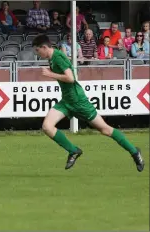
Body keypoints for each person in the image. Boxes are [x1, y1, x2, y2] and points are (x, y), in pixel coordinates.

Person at [31, 34, 144, 172]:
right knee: (47, 127)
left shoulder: (58, 57)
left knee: (105, 129)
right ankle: (73, 151)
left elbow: (71, 78)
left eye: (37, 50)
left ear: (44, 47)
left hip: (79, 101)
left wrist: (50, 74)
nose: (37, 54)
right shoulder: (52, 59)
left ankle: (134, 152)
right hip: (67, 101)